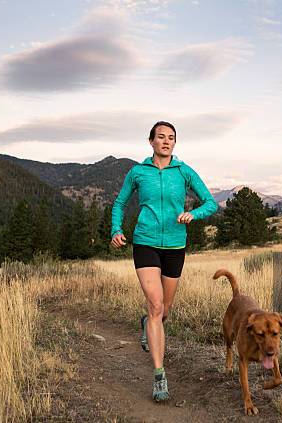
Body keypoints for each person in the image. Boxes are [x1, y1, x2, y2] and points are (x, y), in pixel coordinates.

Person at [110, 121, 218, 402]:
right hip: (145, 242)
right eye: (161, 137)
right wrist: (116, 229)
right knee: (156, 304)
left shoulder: (184, 172)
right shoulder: (138, 172)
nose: (166, 142)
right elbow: (120, 203)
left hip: (175, 245)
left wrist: (193, 215)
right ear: (151, 141)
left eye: (171, 138)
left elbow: (210, 202)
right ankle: (159, 375)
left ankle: (148, 322)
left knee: (163, 311)